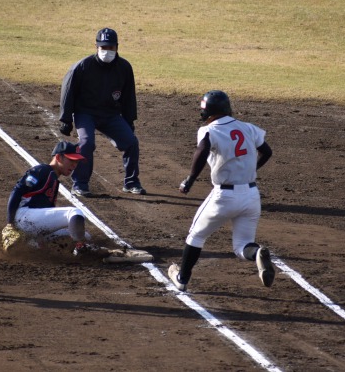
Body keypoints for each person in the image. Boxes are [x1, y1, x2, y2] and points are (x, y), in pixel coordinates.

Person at [168, 90, 275, 292]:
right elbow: (267, 152)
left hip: (224, 197)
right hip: (251, 196)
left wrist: (190, 180)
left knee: (196, 236)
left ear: (207, 111)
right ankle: (257, 253)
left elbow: (202, 151)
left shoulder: (209, 130)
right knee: (242, 245)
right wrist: (251, 170)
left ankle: (182, 278)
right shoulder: (248, 127)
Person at [58, 27, 146, 197]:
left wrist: (129, 120)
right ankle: (80, 184)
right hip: (85, 113)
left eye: (110, 47)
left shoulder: (124, 67)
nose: (107, 51)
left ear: (117, 47)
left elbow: (128, 96)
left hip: (110, 114)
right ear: (96, 47)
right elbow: (68, 92)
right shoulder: (82, 66)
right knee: (86, 142)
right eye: (103, 47)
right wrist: (66, 119)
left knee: (131, 142)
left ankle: (131, 182)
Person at [2, 141, 96, 254]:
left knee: (85, 235)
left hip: (34, 225)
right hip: (24, 217)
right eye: (71, 160)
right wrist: (10, 223)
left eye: (76, 162)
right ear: (59, 157)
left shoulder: (53, 179)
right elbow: (17, 192)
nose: (74, 165)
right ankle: (80, 246)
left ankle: (32, 244)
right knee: (74, 212)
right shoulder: (42, 170)